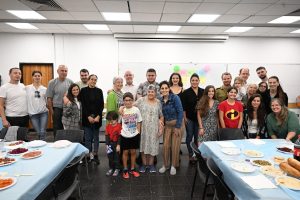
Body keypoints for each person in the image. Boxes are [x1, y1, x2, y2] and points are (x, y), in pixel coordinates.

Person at [135, 85, 163, 173]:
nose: (150, 93)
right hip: (143, 128)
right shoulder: (141, 100)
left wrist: (161, 127)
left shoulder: (158, 102)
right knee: (143, 146)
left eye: (152, 92)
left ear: (155, 93)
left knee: (152, 146)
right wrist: (122, 107)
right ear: (146, 92)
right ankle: (143, 165)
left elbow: (161, 115)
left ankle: (151, 165)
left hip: (154, 129)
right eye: (149, 91)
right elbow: (131, 106)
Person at [159, 81, 183, 175]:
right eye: (162, 88)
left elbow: (180, 112)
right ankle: (165, 165)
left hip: (177, 125)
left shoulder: (175, 97)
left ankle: (173, 165)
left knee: (175, 146)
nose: (164, 90)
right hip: (167, 126)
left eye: (166, 88)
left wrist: (178, 127)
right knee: (165, 146)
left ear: (169, 89)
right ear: (160, 90)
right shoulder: (160, 100)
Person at [79, 74, 104, 164]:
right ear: (88, 80)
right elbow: (83, 106)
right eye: (92, 79)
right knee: (88, 138)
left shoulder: (99, 91)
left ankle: (95, 154)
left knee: (96, 138)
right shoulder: (83, 90)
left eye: (95, 80)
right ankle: (88, 155)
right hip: (87, 118)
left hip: (97, 118)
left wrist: (98, 116)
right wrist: (88, 116)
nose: (93, 81)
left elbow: (101, 105)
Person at [181, 73, 204, 163]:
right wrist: (185, 118)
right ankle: (191, 155)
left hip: (200, 119)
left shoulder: (203, 91)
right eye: (193, 80)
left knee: (197, 137)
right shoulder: (186, 92)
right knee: (189, 136)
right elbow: (183, 107)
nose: (194, 82)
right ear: (190, 81)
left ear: (199, 81)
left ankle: (196, 154)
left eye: (196, 80)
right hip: (189, 118)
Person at [46, 65, 73, 138]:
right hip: (57, 108)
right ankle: (57, 143)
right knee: (57, 128)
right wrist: (52, 112)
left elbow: (73, 95)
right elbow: (49, 98)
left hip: (68, 108)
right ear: (57, 71)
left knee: (68, 127)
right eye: (62, 70)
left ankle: (67, 143)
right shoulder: (52, 82)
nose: (64, 72)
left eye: (65, 71)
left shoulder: (70, 82)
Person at [120, 92, 142, 179]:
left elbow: (139, 121)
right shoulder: (122, 110)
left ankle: (132, 169)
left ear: (132, 101)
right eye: (126, 100)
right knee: (125, 152)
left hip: (134, 135)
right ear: (123, 101)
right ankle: (125, 169)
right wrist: (121, 108)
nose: (128, 102)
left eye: (129, 100)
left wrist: (138, 132)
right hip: (124, 135)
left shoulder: (136, 109)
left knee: (133, 152)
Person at [25, 71, 48, 140]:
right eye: (35, 76)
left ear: (41, 77)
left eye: (39, 76)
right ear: (32, 77)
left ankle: (43, 145)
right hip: (33, 114)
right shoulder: (27, 88)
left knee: (42, 131)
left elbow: (46, 101)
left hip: (43, 113)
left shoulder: (45, 89)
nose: (37, 77)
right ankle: (41, 141)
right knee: (38, 132)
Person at [105, 111, 122, 177]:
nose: (111, 122)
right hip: (110, 144)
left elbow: (120, 136)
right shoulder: (108, 126)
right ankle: (111, 168)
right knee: (110, 156)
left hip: (116, 144)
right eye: (109, 121)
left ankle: (117, 168)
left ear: (116, 119)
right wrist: (107, 145)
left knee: (117, 157)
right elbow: (107, 135)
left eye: (112, 120)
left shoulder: (119, 126)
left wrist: (118, 145)